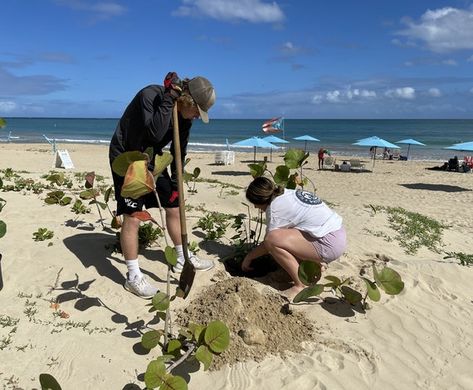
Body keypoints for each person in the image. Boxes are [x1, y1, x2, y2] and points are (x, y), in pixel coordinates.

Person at [109, 72, 216, 298]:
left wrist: (177, 184)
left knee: (174, 206)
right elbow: (154, 132)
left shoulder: (185, 117)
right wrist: (168, 100)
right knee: (133, 215)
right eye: (197, 111)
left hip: (152, 158)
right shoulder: (151, 96)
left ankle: (182, 256)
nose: (197, 117)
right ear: (187, 101)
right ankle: (133, 276)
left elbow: (180, 150)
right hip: (128, 157)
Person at [241, 177, 347, 299]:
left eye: (254, 203)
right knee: (286, 235)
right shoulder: (287, 193)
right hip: (338, 233)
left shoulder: (274, 209)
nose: (255, 207)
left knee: (272, 239)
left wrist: (249, 257)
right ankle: (316, 264)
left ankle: (300, 284)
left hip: (328, 244)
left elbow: (267, 244)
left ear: (260, 200)